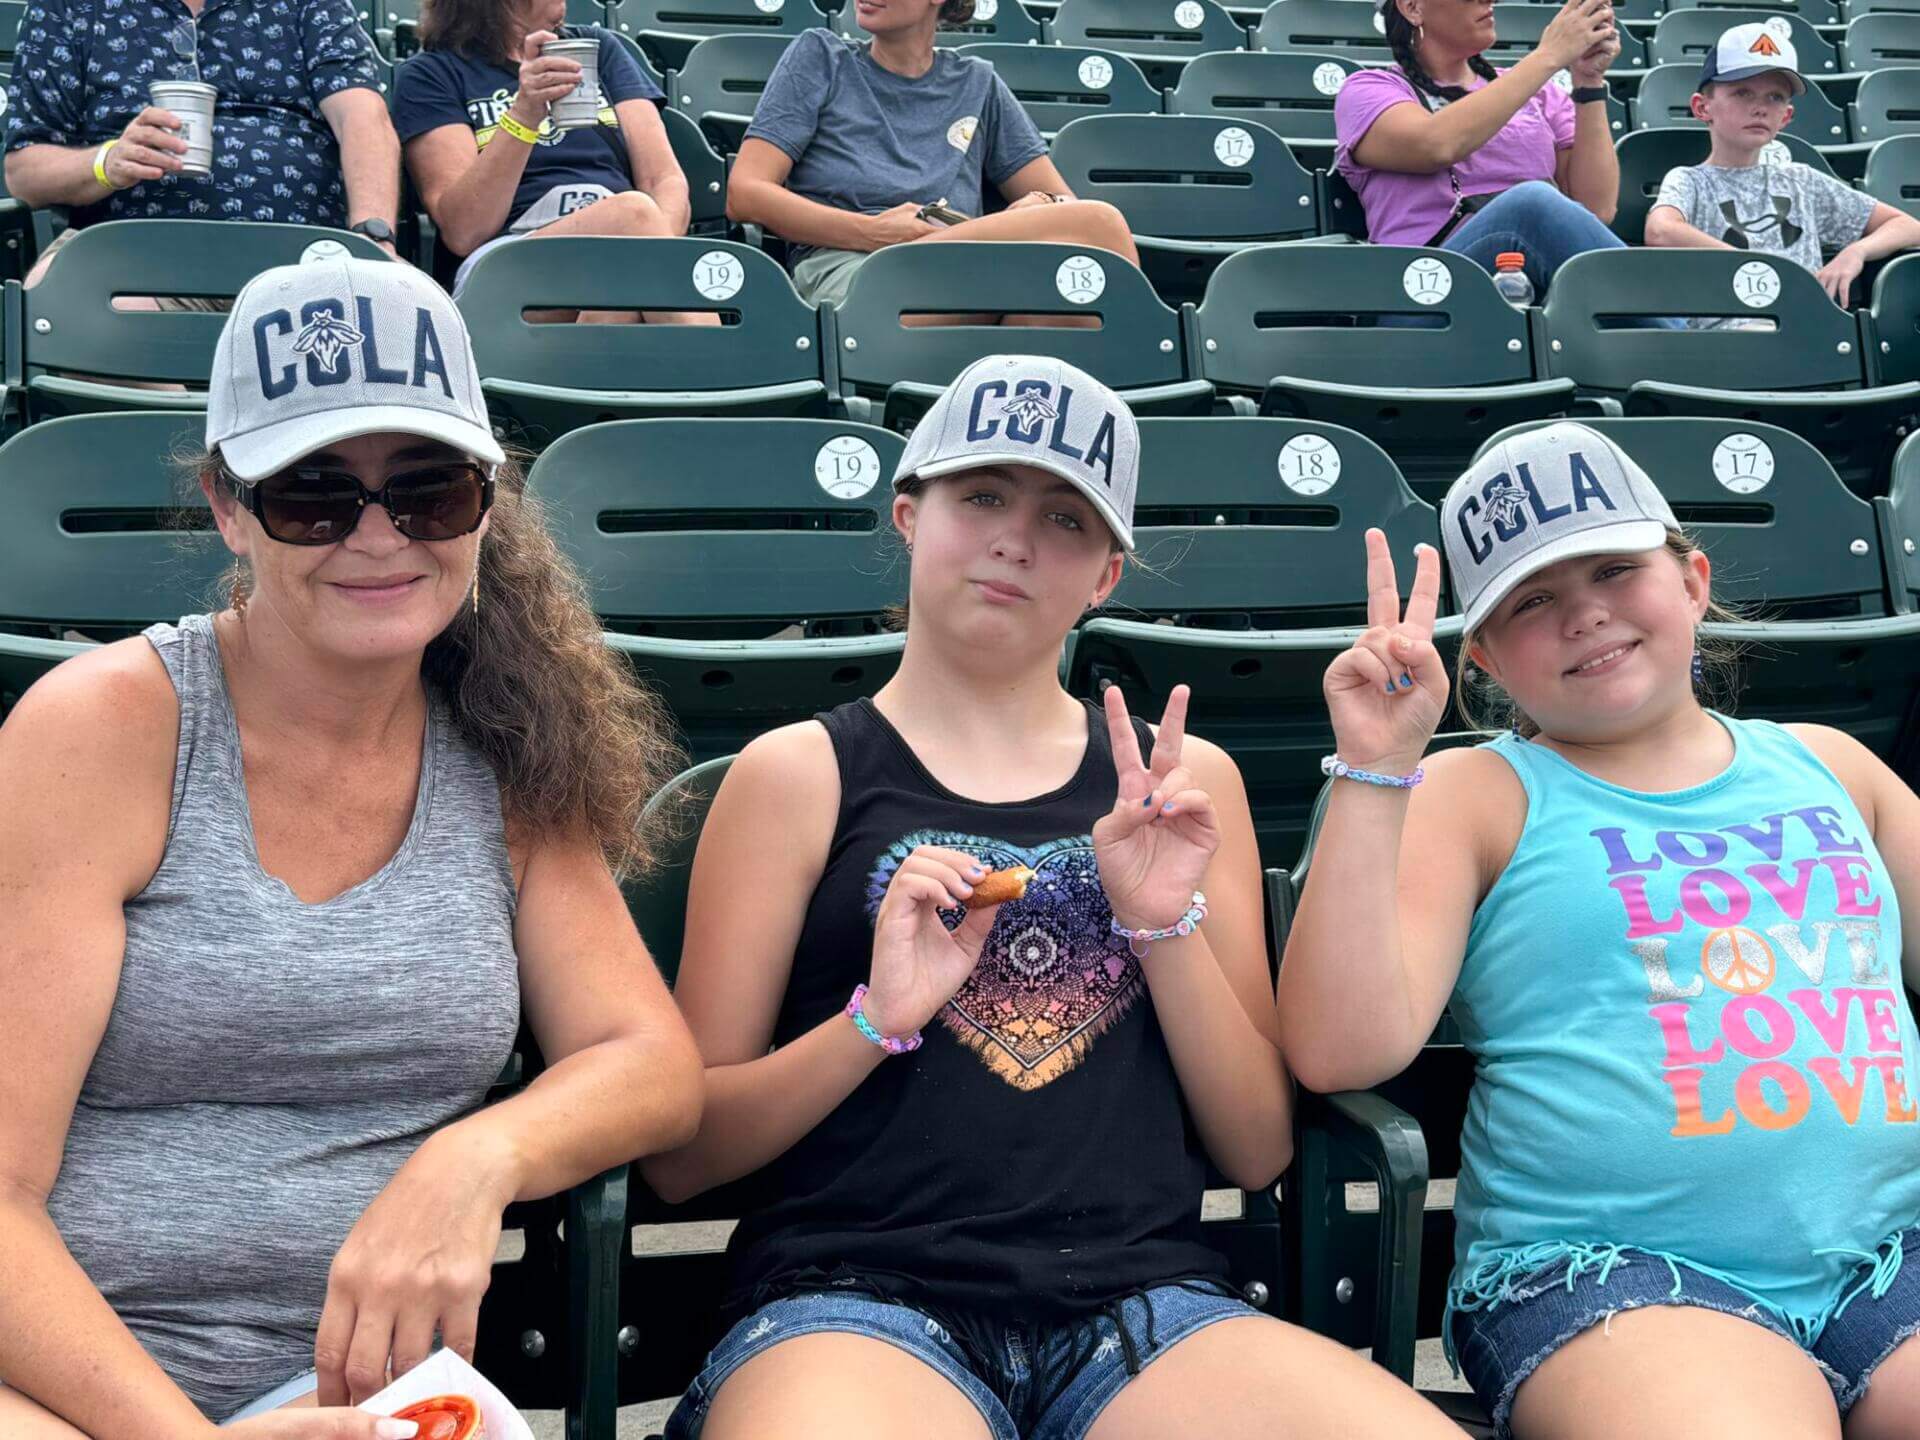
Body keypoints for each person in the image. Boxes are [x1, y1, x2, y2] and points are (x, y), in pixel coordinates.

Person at [638, 354, 1459, 1440]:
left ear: (1107, 574)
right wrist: (873, 1021)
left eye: (1067, 520)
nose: (1017, 540)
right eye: (980, 497)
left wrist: (1161, 926)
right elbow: (686, 1153)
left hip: (1145, 1313)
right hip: (850, 1307)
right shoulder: (797, 774)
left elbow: (1256, 1148)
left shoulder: (1182, 782)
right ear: (908, 513)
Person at [0, 257, 705, 1436]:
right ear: (229, 506)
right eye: (313, 496)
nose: (378, 538)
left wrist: (471, 1160)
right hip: (56, 1382)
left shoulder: (506, 741)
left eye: (427, 491)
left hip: (364, 1398)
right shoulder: (107, 730)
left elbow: (650, 1062)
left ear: (486, 502)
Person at [1276, 421, 1920, 1439]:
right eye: (1533, 601)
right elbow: (1338, 1050)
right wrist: (1374, 766)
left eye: (1617, 568)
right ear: (1481, 656)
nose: (1585, 615)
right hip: (1608, 1273)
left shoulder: (1835, 767)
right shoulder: (1471, 792)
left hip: (1892, 1253)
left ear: (1694, 581)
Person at [726, 5, 1138, 315]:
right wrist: (872, 233)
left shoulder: (978, 83)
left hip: (963, 266)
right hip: (855, 273)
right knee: (1098, 226)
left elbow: (1066, 206)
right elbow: (745, 194)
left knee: (1074, 299)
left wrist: (1040, 203)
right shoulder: (819, 56)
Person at [4, 0, 401, 282]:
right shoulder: (68, 7)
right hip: (134, 250)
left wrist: (372, 237)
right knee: (62, 302)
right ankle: (185, 401)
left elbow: (364, 120)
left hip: (297, 253)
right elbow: (24, 171)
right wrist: (107, 163)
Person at [392, 0, 706, 317]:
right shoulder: (431, 74)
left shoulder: (600, 50)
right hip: (505, 266)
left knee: (626, 272)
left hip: (622, 245)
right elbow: (464, 230)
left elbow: (664, 180)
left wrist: (648, 254)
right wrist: (525, 113)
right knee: (635, 217)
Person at [1335, 0, 1628, 299]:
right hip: (1425, 290)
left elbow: (1596, 209)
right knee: (1531, 204)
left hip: (1534, 288)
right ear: (1412, 7)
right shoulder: (1367, 91)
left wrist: (1588, 81)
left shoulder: (1541, 94)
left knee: (1535, 206)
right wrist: (1549, 55)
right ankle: (1672, 334)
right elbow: (1435, 145)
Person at [1646, 23, 1920, 313]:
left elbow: (1908, 226)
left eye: (1775, 97)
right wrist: (1761, 267)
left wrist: (1856, 252)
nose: (1760, 107)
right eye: (1743, 93)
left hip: (1807, 330)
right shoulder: (1690, 181)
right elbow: (1661, 231)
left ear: (1786, 117)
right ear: (1702, 108)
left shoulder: (1802, 181)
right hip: (1726, 337)